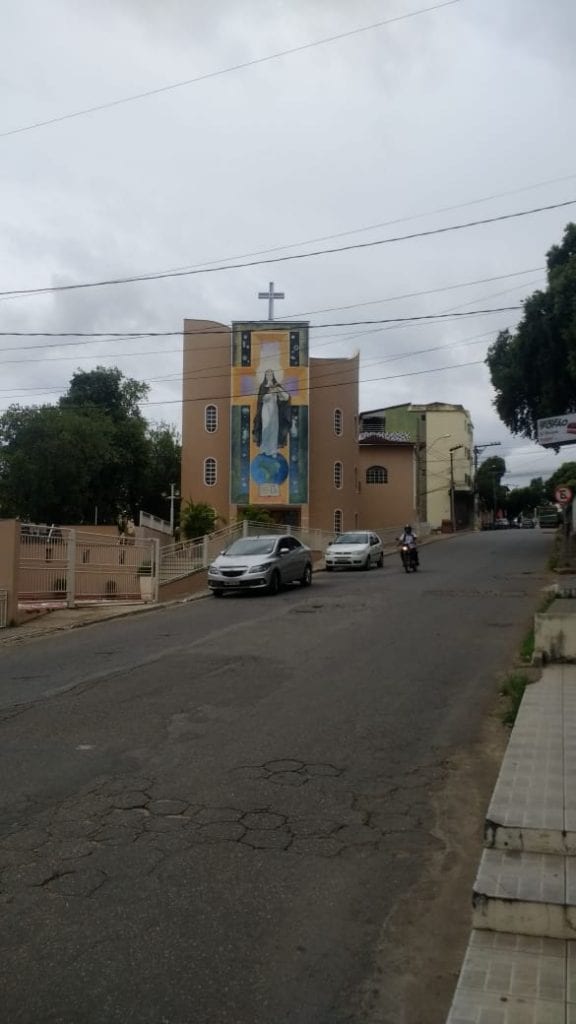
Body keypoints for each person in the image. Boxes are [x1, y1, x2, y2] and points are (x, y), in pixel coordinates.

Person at [252, 369, 291, 457]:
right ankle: (264, 448)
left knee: (274, 429)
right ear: (265, 376)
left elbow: (285, 398)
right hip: (265, 410)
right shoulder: (263, 386)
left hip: (274, 410)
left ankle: (273, 450)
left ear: (273, 376)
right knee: (265, 429)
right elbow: (262, 399)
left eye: (271, 375)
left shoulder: (277, 386)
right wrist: (270, 392)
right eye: (267, 375)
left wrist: (278, 390)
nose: (269, 376)